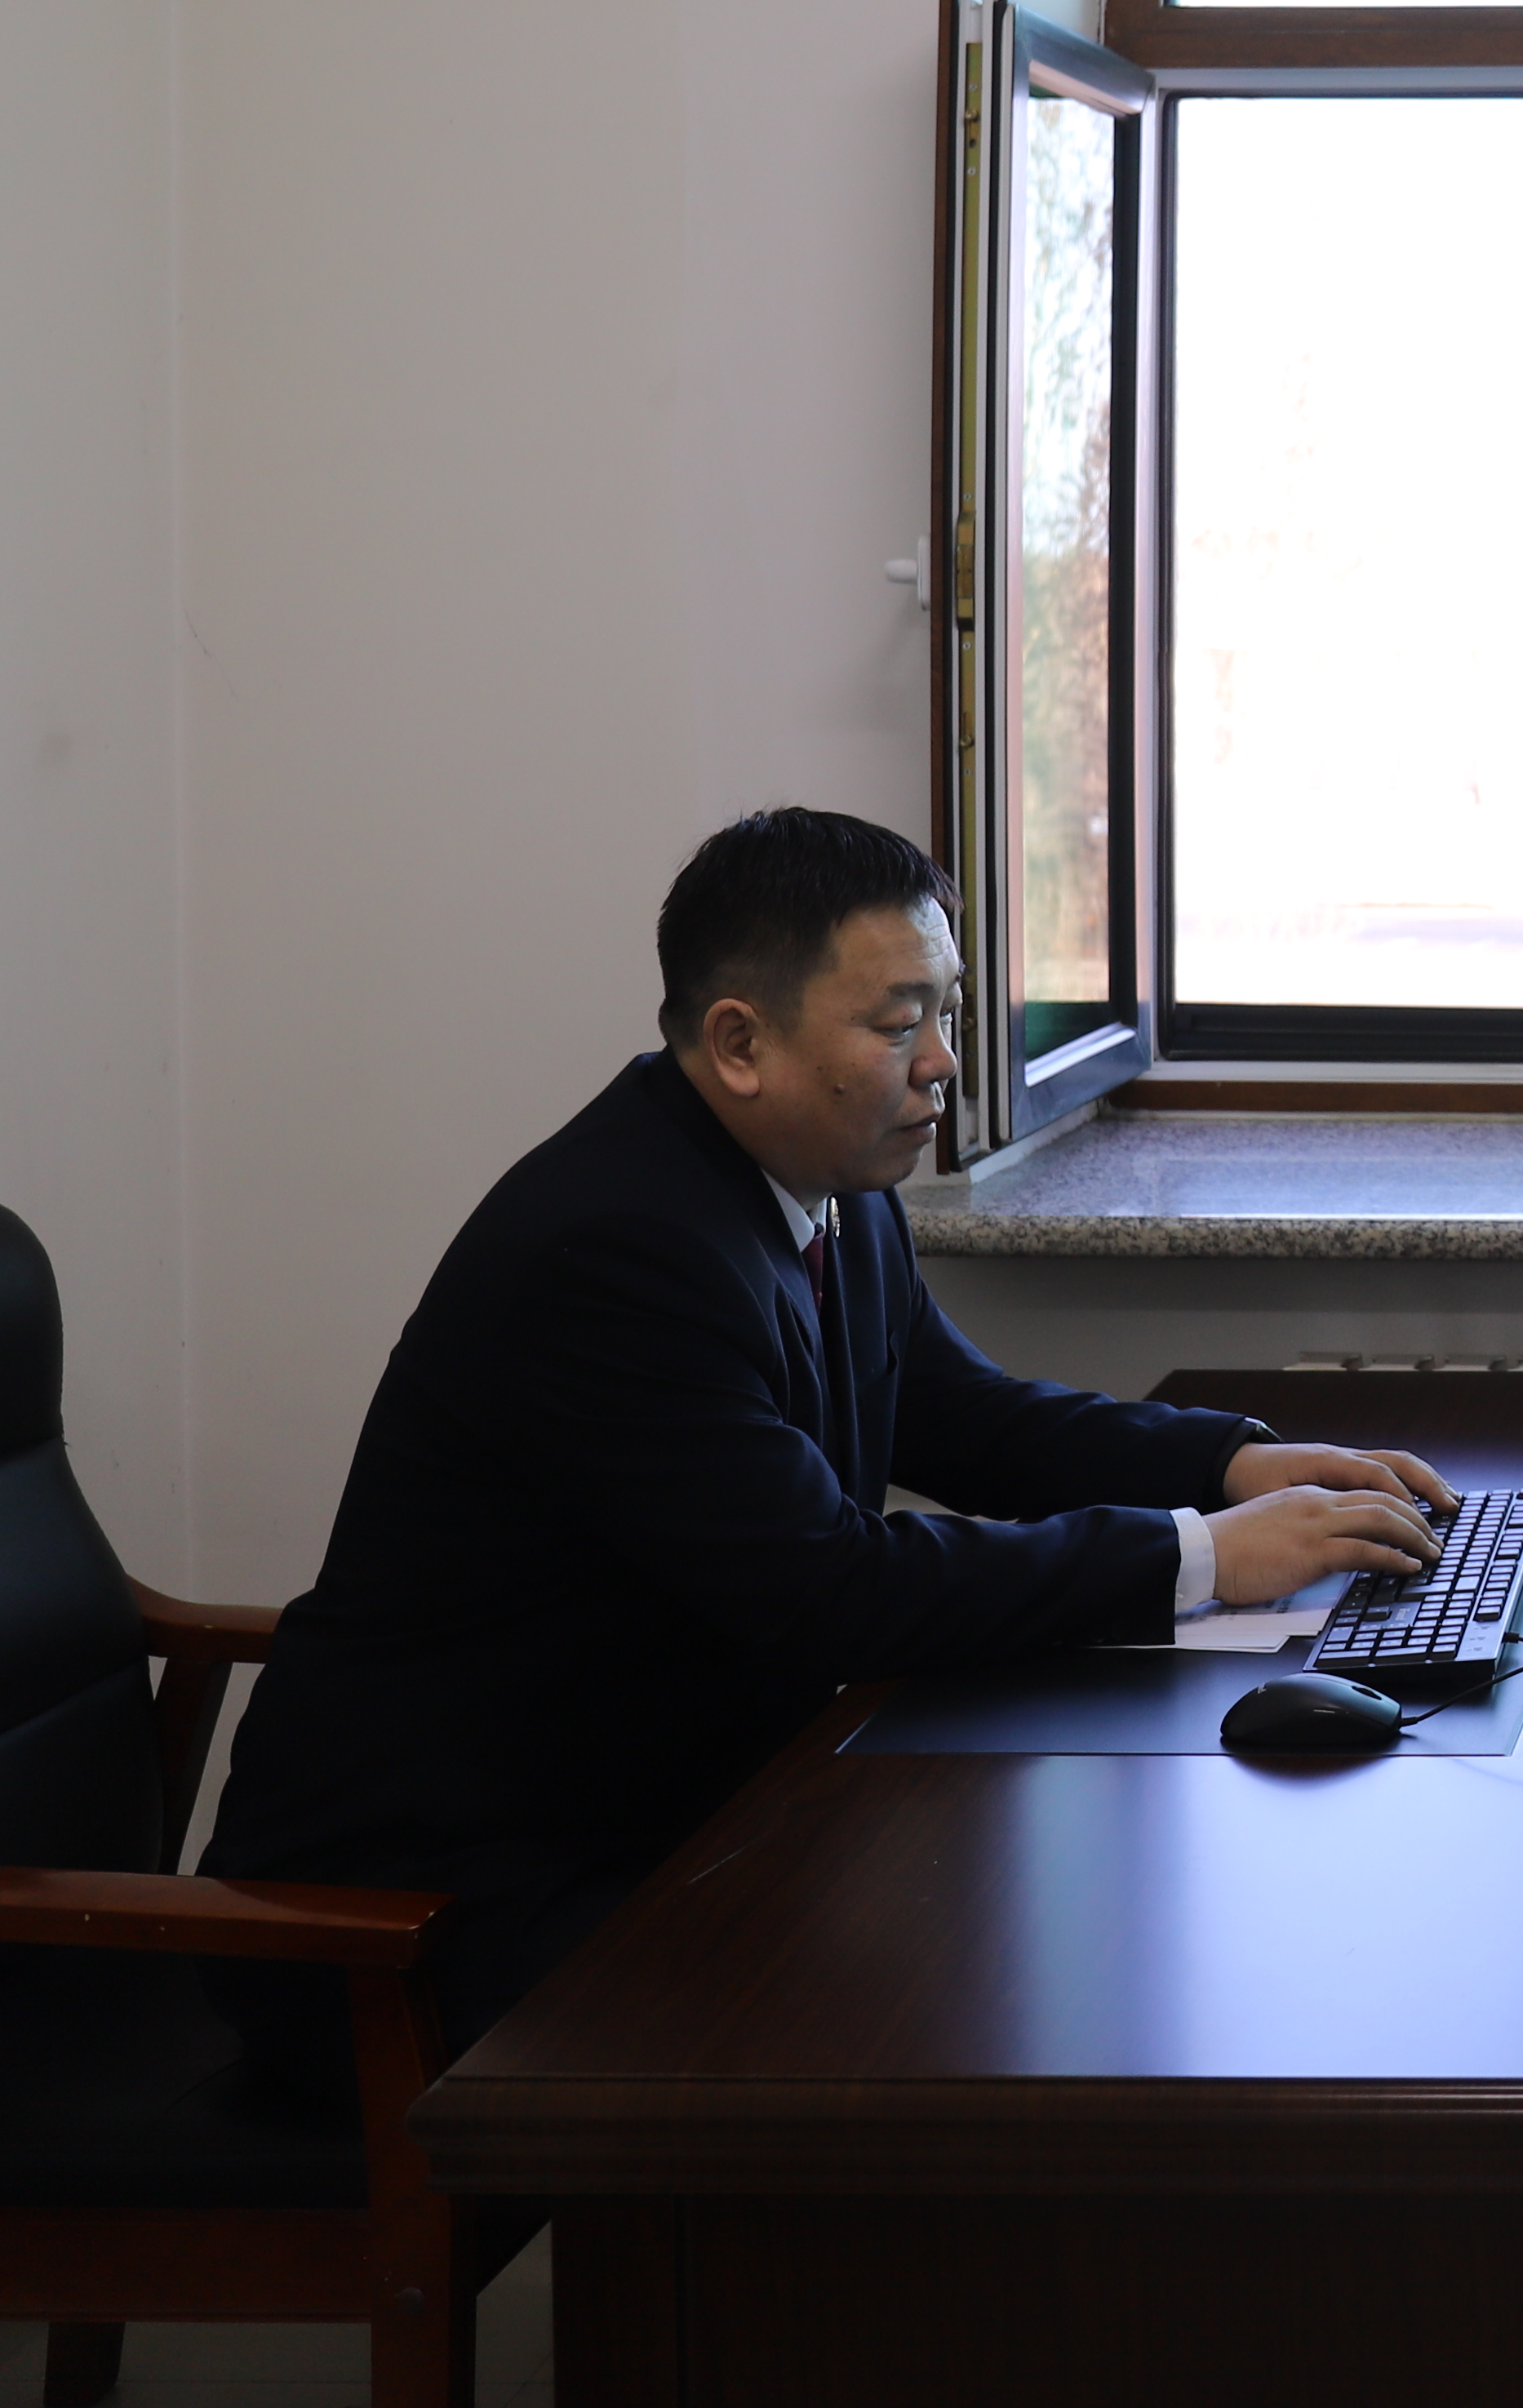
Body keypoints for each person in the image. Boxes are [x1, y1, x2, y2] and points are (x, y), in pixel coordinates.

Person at [204, 806, 1453, 2091]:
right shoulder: (614, 1250)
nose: (943, 1065)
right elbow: (830, 1589)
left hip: (661, 1808)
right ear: (741, 1042)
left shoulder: (822, 1184)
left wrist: (1229, 1465)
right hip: (430, 1910)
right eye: (899, 1025)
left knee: (1004, 1937)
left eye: (947, 1014)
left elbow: (963, 1415)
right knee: (960, 2007)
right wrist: (1202, 1557)